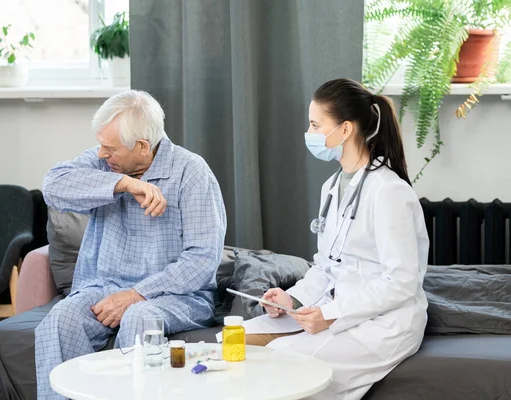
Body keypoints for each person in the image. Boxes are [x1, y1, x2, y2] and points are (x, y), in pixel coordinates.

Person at [35, 90, 227, 398]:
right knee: (60, 319)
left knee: (140, 316)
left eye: (109, 147)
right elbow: (53, 186)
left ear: (142, 146)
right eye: (100, 144)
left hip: (175, 296)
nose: (100, 154)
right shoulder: (106, 166)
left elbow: (202, 260)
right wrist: (124, 184)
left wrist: (138, 294)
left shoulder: (192, 173)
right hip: (103, 288)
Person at [245, 78, 429, 400]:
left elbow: (401, 282)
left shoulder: (389, 192)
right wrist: (293, 299)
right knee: (237, 338)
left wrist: (331, 314)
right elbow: (326, 266)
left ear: (344, 130)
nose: (309, 133)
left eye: (316, 124)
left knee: (283, 364)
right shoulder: (332, 187)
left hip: (387, 323)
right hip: (339, 308)